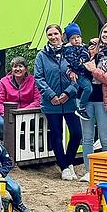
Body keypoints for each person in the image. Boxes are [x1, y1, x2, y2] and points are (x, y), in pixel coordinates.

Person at [34, 24, 83, 180]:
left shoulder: (72, 52)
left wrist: (68, 93)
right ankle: (64, 167)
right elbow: (39, 77)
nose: (53, 37)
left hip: (70, 102)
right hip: (51, 103)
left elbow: (79, 74)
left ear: (62, 35)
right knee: (56, 135)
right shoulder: (41, 55)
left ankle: (68, 163)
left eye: (56, 33)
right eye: (50, 34)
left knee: (77, 133)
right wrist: (51, 95)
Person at [81, 23, 107, 182]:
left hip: (105, 100)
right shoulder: (93, 50)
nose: (106, 35)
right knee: (87, 138)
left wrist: (94, 70)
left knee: (105, 138)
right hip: (86, 98)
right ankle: (88, 171)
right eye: (104, 32)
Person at [0, 57, 41, 138]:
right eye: (15, 66)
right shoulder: (4, 81)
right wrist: (7, 113)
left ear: (26, 69)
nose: (17, 69)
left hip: (29, 113)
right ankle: (4, 144)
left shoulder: (34, 81)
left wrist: (22, 112)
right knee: (0, 122)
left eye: (20, 66)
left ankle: (29, 143)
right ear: (12, 69)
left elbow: (38, 101)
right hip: (9, 113)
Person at [62, 22, 92, 121]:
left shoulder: (84, 47)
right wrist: (85, 65)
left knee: (87, 87)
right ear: (69, 40)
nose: (76, 40)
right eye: (73, 38)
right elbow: (75, 63)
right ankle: (81, 107)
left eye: (78, 37)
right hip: (79, 74)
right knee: (88, 88)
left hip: (85, 73)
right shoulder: (69, 50)